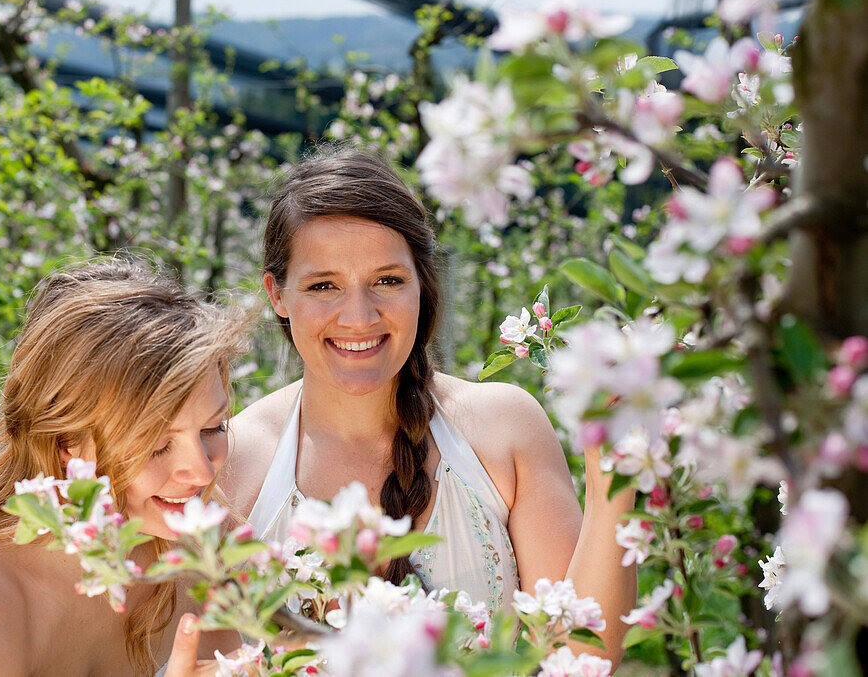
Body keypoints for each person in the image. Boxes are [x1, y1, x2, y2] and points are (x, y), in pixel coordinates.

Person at [221, 148, 637, 663]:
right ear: (277, 295)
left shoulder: (503, 428)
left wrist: (612, 486)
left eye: (387, 281)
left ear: (423, 282)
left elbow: (580, 657)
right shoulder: (230, 463)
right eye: (323, 285)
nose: (358, 316)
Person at [0, 258, 248, 676]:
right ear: (66, 440)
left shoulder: (202, 537)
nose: (202, 473)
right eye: (158, 446)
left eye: (213, 427)